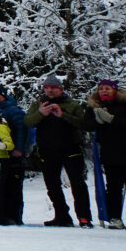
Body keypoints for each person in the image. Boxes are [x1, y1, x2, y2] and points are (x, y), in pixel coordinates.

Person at [24, 74, 92, 227]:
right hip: (48, 150)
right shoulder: (38, 104)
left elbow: (83, 124)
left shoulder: (71, 104)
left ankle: (84, 217)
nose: (49, 91)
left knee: (78, 184)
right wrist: (41, 113)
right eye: (46, 88)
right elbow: (28, 122)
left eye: (53, 88)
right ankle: (62, 216)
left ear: (60, 89)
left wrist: (63, 115)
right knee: (52, 186)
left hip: (71, 149)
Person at [82, 79, 126, 229]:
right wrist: (98, 122)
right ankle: (115, 218)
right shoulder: (94, 106)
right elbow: (85, 124)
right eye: (101, 88)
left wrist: (112, 120)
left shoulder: (123, 104)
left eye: (107, 88)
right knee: (113, 187)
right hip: (110, 152)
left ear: (114, 90)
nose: (104, 91)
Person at [0, 84, 32, 224]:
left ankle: (14, 216)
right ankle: (2, 215)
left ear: (3, 96)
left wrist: (19, 149)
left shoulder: (13, 111)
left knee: (14, 186)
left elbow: (21, 129)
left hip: (13, 154)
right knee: (1, 185)